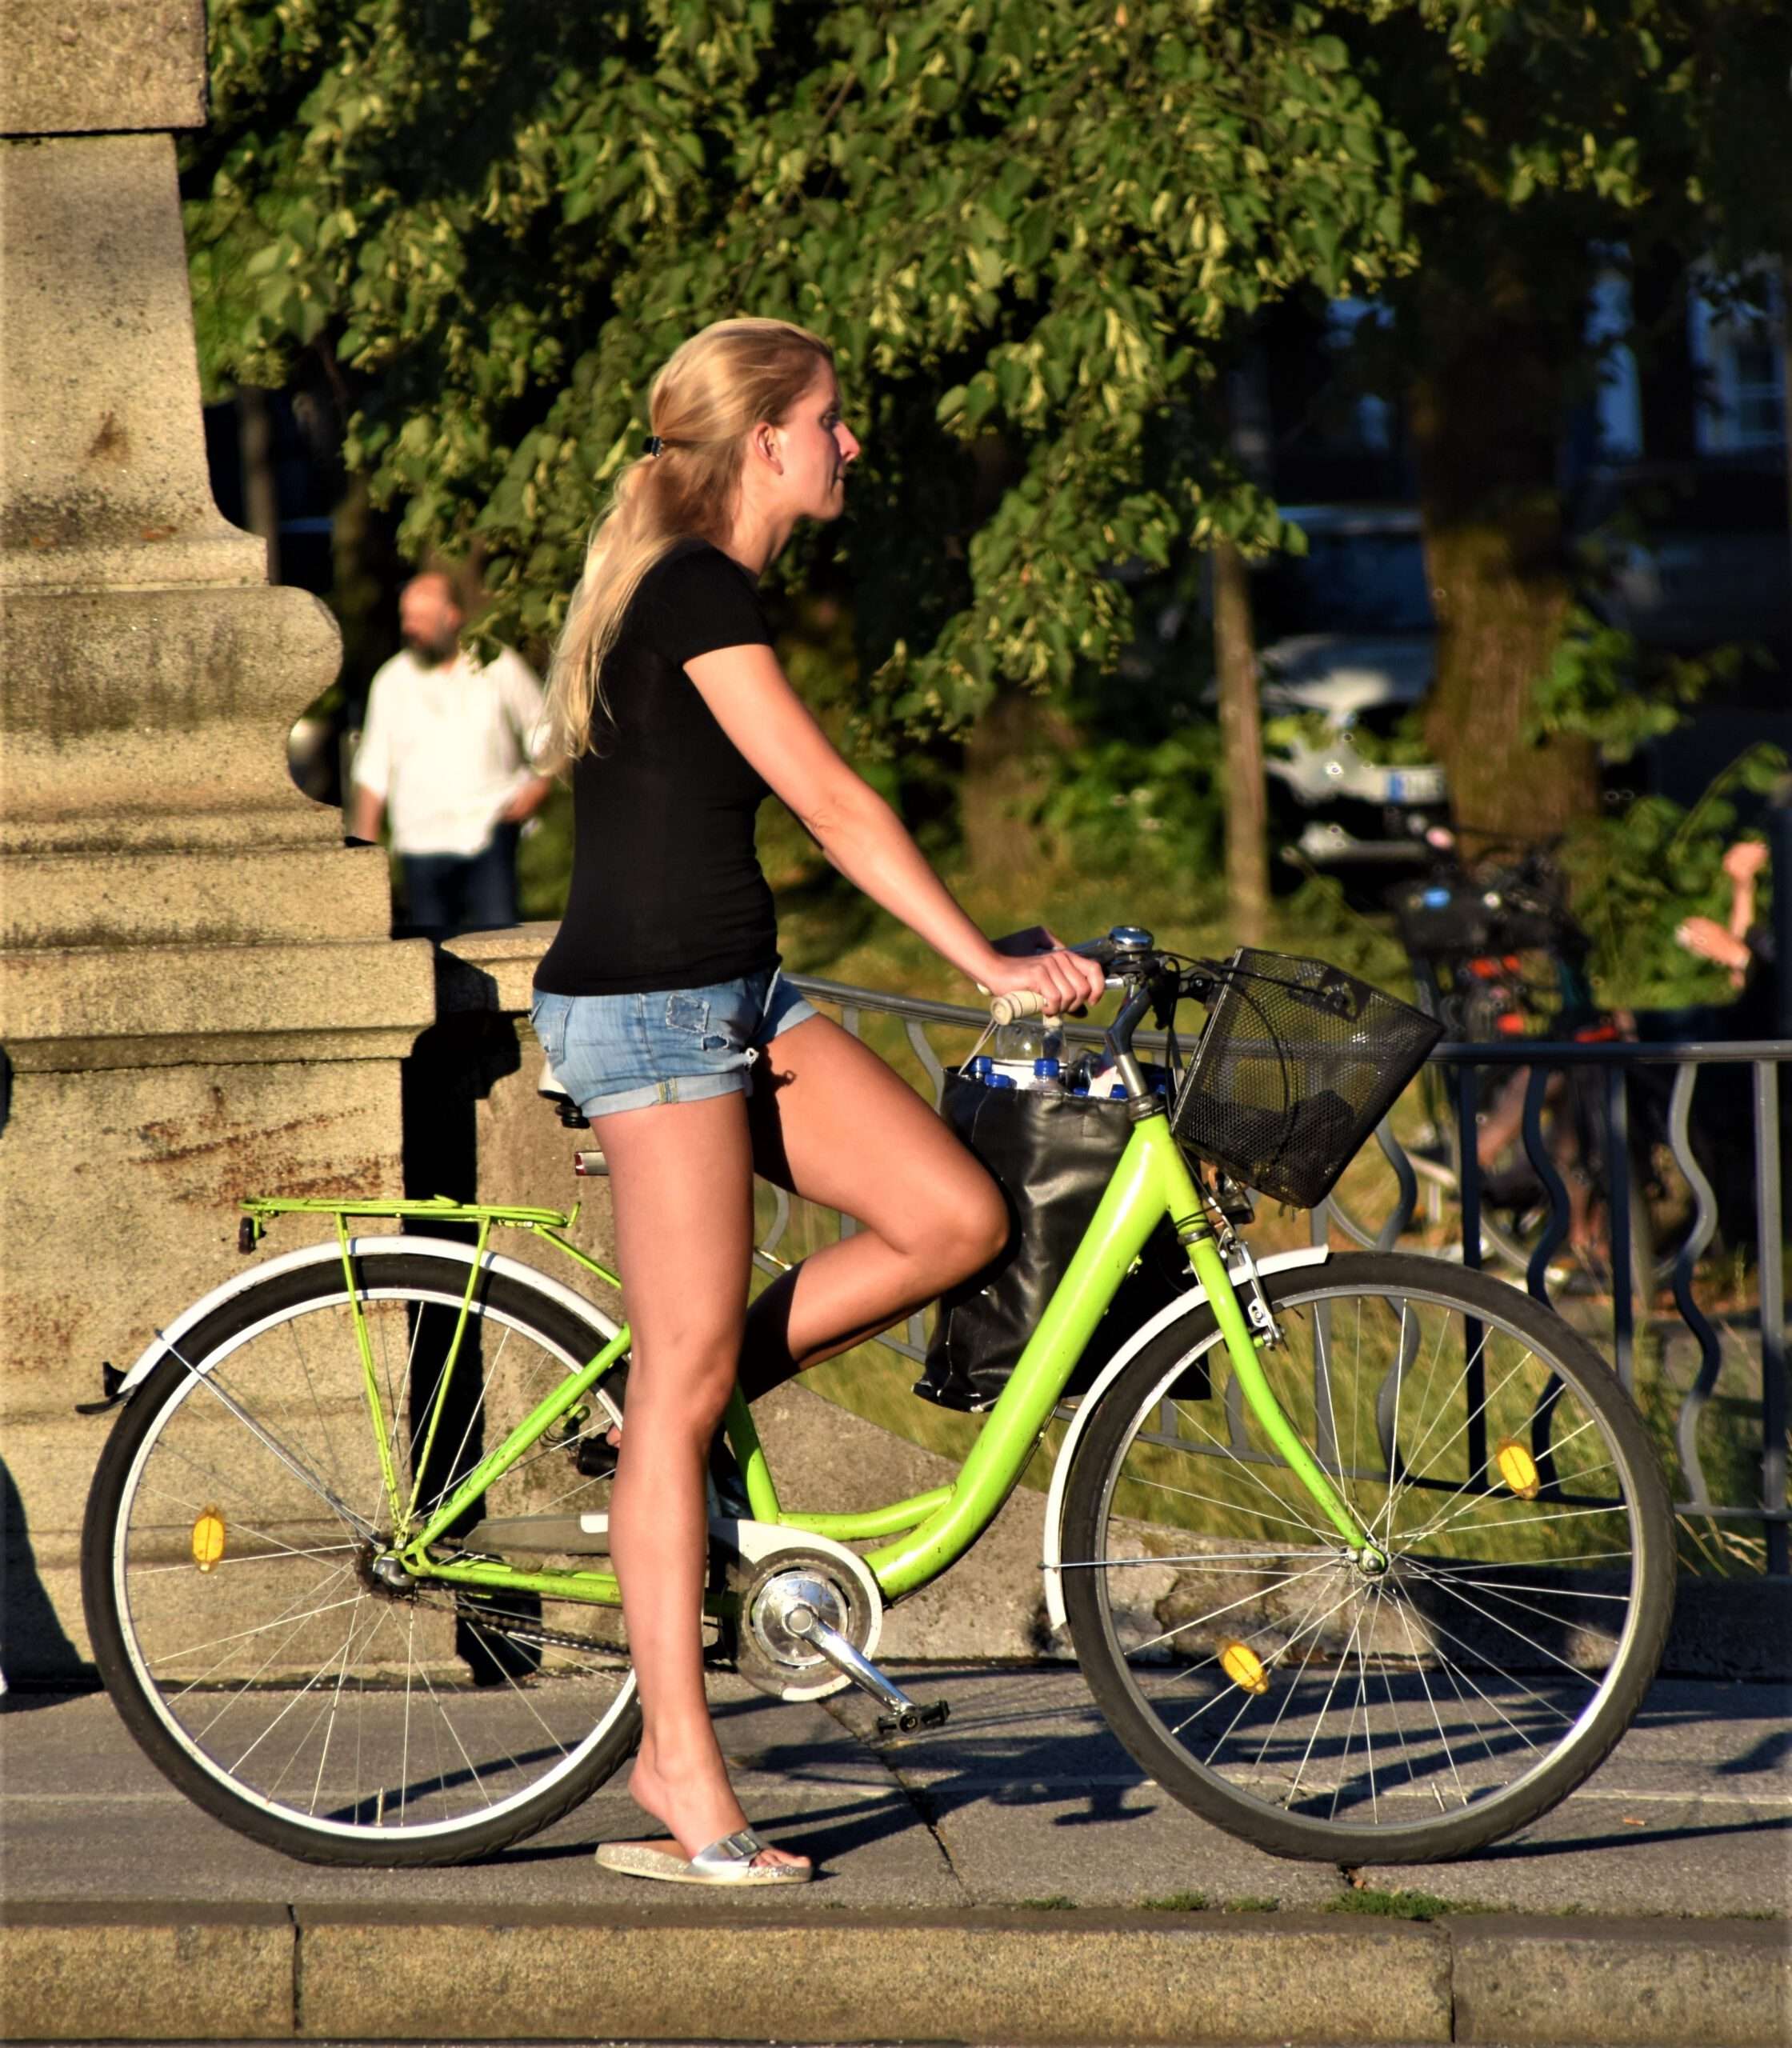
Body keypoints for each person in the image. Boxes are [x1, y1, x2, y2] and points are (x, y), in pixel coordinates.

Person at [529, 317, 1103, 1887]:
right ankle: (676, 1758)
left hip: (735, 996)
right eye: (834, 423)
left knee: (952, 1214)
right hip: (653, 1016)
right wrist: (982, 955)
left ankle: (670, 1403)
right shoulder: (698, 588)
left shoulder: (712, 585)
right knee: (688, 1380)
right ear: (767, 439)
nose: (854, 447)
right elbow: (833, 802)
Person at [350, 568, 555, 940]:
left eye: (422, 619)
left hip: (490, 828)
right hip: (421, 842)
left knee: (503, 943)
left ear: (452, 616)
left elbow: (546, 731)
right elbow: (373, 771)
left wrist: (541, 785)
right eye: (407, 618)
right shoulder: (391, 682)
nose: (412, 628)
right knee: (433, 959)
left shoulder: (497, 665)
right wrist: (363, 859)